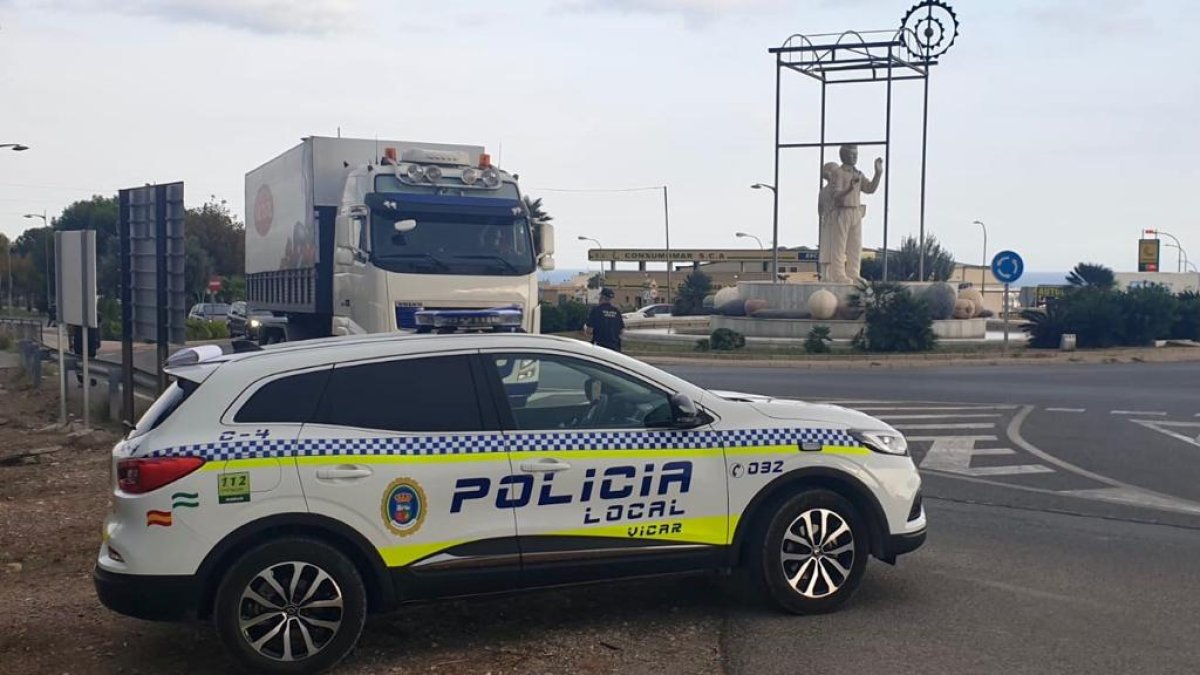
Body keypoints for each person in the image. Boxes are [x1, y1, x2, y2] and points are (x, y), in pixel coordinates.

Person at [585, 288, 624, 352]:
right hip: (615, 347)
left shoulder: (596, 310)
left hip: (600, 347)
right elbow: (621, 331)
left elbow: (589, 330)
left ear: (602, 297)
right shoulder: (617, 311)